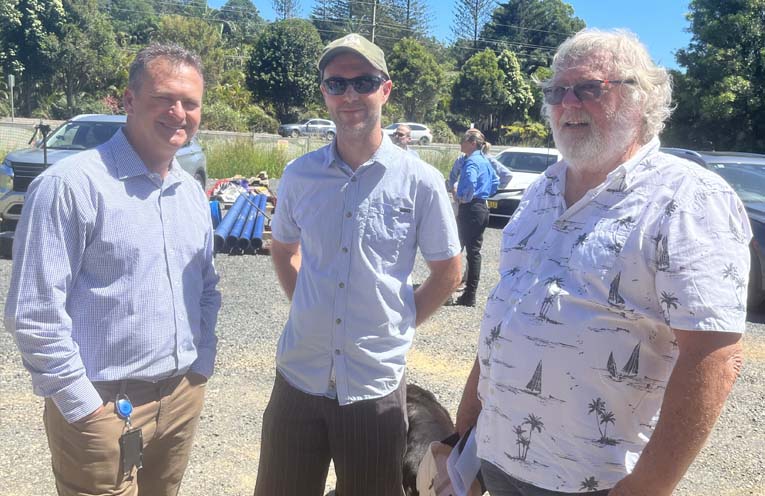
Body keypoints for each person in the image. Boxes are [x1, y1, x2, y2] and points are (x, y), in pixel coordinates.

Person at [456, 28, 749, 495]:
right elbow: (508, 312)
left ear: (641, 98)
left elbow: (715, 355)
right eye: (557, 91)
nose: (568, 103)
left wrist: (646, 487)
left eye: (589, 88)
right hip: (497, 459)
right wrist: (467, 432)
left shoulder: (689, 197)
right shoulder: (542, 190)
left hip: (595, 482)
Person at [4, 43, 221, 496]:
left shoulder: (189, 194)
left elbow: (206, 288)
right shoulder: (70, 186)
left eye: (190, 102)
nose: (178, 113)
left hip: (179, 400)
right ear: (129, 100)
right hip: (102, 405)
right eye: (163, 98)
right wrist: (83, 406)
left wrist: (199, 368)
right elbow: (34, 313)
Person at [254, 33, 462, 496]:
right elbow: (284, 248)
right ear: (324, 92)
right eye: (336, 83)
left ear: (385, 90)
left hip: (373, 388)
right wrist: (306, 305)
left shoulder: (421, 182)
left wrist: (399, 323)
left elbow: (449, 271)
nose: (349, 95)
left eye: (363, 82)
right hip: (299, 378)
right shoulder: (299, 176)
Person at [446, 129, 499, 307]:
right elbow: (496, 181)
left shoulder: (471, 161)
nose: (460, 143)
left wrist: (462, 197)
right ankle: (470, 295)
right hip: (482, 207)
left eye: (463, 140)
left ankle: (446, 292)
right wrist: (484, 193)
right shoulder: (485, 160)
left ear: (472, 143)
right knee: (474, 252)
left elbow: (469, 181)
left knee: (455, 248)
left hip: (470, 208)